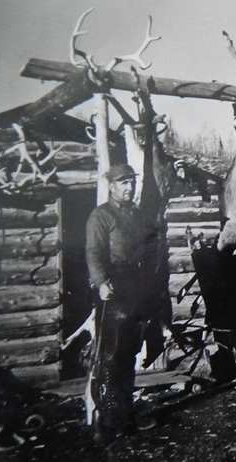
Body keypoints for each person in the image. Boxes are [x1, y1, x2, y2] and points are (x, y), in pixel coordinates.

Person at [85, 163, 159, 445]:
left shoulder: (137, 215)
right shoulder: (101, 215)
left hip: (136, 285)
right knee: (110, 356)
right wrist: (101, 282)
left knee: (128, 354)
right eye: (123, 183)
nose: (129, 187)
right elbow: (93, 252)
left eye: (132, 182)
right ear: (112, 186)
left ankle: (126, 417)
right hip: (113, 288)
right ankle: (104, 423)